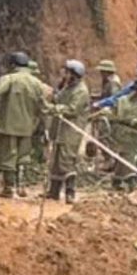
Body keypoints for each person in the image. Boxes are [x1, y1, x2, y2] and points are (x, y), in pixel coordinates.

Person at [91, 58, 137, 187]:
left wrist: (100, 104)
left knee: (136, 151)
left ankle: (134, 175)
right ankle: (131, 175)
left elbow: (116, 98)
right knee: (134, 151)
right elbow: (120, 100)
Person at [0, 52, 47, 197]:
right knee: (23, 156)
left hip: (9, 125)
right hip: (27, 127)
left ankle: (9, 188)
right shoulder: (35, 82)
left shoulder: (9, 78)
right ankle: (21, 187)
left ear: (12, 65)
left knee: (8, 156)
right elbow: (43, 104)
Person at [45, 59, 91, 202]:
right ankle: (53, 191)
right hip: (60, 129)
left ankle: (70, 192)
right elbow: (58, 99)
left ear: (74, 74)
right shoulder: (68, 87)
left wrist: (54, 109)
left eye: (67, 72)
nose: (64, 74)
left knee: (67, 160)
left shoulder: (81, 91)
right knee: (56, 160)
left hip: (71, 131)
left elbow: (72, 110)